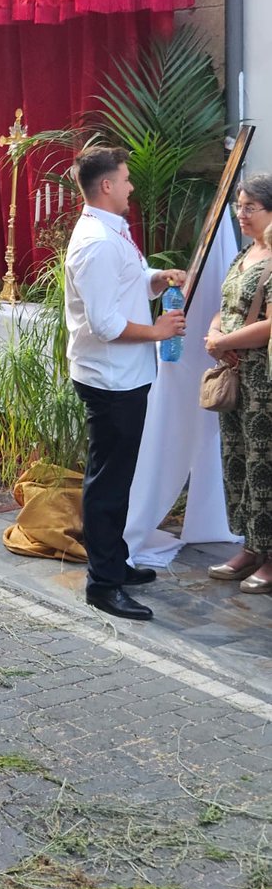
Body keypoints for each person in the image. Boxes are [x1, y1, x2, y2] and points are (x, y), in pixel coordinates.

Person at [65, 147, 186, 621]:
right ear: (107, 186)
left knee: (116, 476)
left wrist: (158, 279)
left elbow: (131, 282)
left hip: (126, 375)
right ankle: (104, 583)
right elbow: (104, 322)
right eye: (127, 179)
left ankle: (114, 562)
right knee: (108, 482)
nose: (133, 186)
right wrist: (157, 332)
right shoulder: (96, 241)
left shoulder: (112, 231)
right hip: (110, 378)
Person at [204, 176, 272, 592]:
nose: (241, 214)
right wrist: (214, 338)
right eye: (239, 206)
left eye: (250, 207)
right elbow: (225, 306)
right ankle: (251, 546)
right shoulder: (246, 254)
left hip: (263, 379)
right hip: (233, 373)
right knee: (237, 460)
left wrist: (224, 341)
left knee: (266, 465)